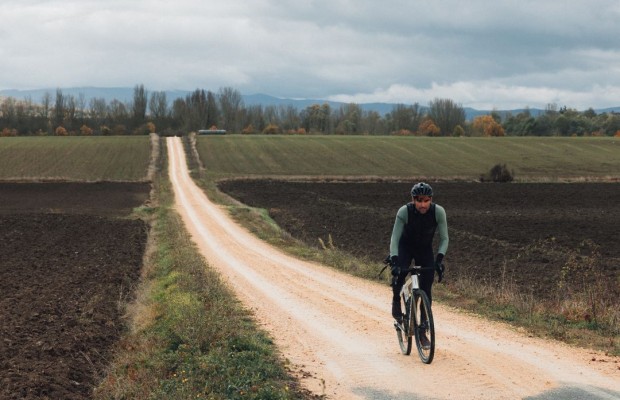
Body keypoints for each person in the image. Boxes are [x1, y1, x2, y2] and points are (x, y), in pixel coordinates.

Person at [388, 182, 448, 330]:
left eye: (426, 200)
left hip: (424, 249)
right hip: (406, 247)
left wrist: (439, 260)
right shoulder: (404, 211)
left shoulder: (438, 212)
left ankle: (423, 328)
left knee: (426, 288)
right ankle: (396, 300)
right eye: (419, 201)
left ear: (431, 200)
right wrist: (394, 261)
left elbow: (444, 238)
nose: (423, 205)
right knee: (400, 275)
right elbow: (394, 239)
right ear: (413, 200)